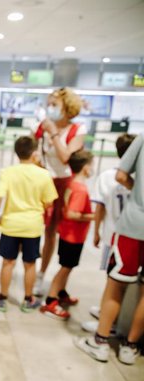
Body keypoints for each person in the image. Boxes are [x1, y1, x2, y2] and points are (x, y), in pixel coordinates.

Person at [76, 134, 144, 364]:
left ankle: (101, 341)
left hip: (134, 225)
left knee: (115, 285)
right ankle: (130, 346)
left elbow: (121, 175)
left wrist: (137, 193)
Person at [0, 136, 58, 312]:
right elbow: (49, 201)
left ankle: (2, 297)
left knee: (8, 262)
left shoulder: (8, 172)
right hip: (33, 226)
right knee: (30, 263)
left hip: (11, 224)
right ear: (35, 152)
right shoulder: (43, 174)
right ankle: (28, 299)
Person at [33, 87, 87, 296]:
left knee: (50, 232)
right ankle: (15, 260)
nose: (51, 108)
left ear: (68, 107)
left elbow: (66, 156)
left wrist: (53, 132)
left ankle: (41, 274)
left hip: (63, 185)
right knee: (31, 223)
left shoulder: (78, 130)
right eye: (50, 104)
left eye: (55, 104)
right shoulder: (43, 126)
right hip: (42, 180)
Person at [81, 134, 135, 334]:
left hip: (114, 236)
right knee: (124, 280)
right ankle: (109, 313)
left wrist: (96, 231)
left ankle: (108, 321)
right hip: (130, 237)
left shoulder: (107, 177)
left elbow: (100, 208)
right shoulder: (139, 177)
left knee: (112, 281)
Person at [40, 150, 94, 320]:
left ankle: (61, 292)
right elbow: (72, 213)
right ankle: (51, 300)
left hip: (68, 233)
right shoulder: (80, 189)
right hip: (73, 236)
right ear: (85, 168)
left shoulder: (71, 183)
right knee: (65, 268)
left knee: (68, 266)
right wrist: (94, 216)